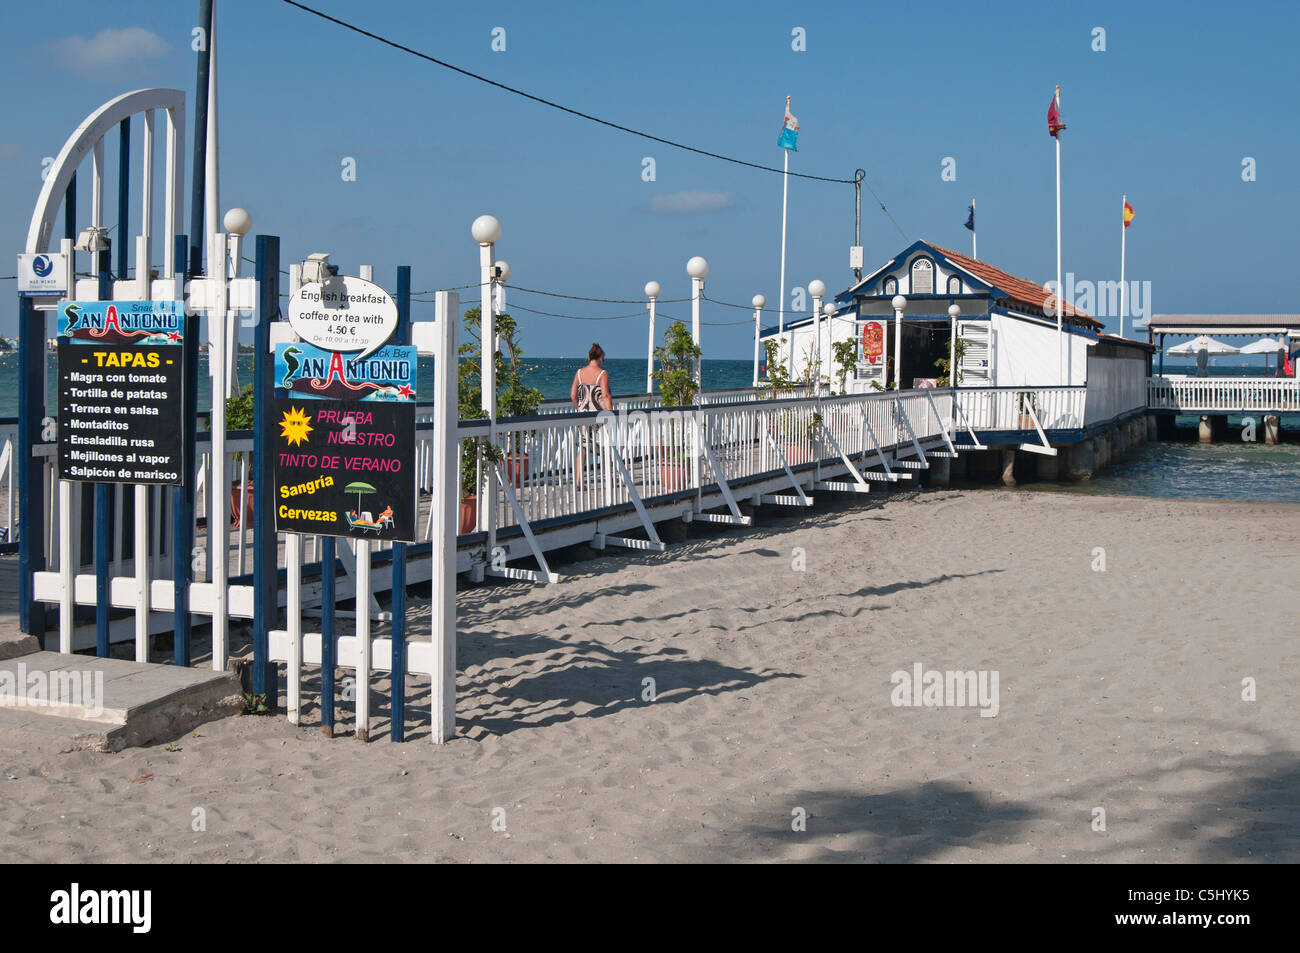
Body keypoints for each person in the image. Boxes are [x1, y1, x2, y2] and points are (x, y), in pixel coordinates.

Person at [571, 343, 612, 485]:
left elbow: (573, 396)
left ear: (589, 358)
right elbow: (605, 395)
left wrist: (579, 409)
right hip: (598, 416)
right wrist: (610, 415)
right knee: (604, 446)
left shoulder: (579, 373)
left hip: (582, 416)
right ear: (600, 358)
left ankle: (578, 481)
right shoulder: (602, 373)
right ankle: (608, 479)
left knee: (583, 447)